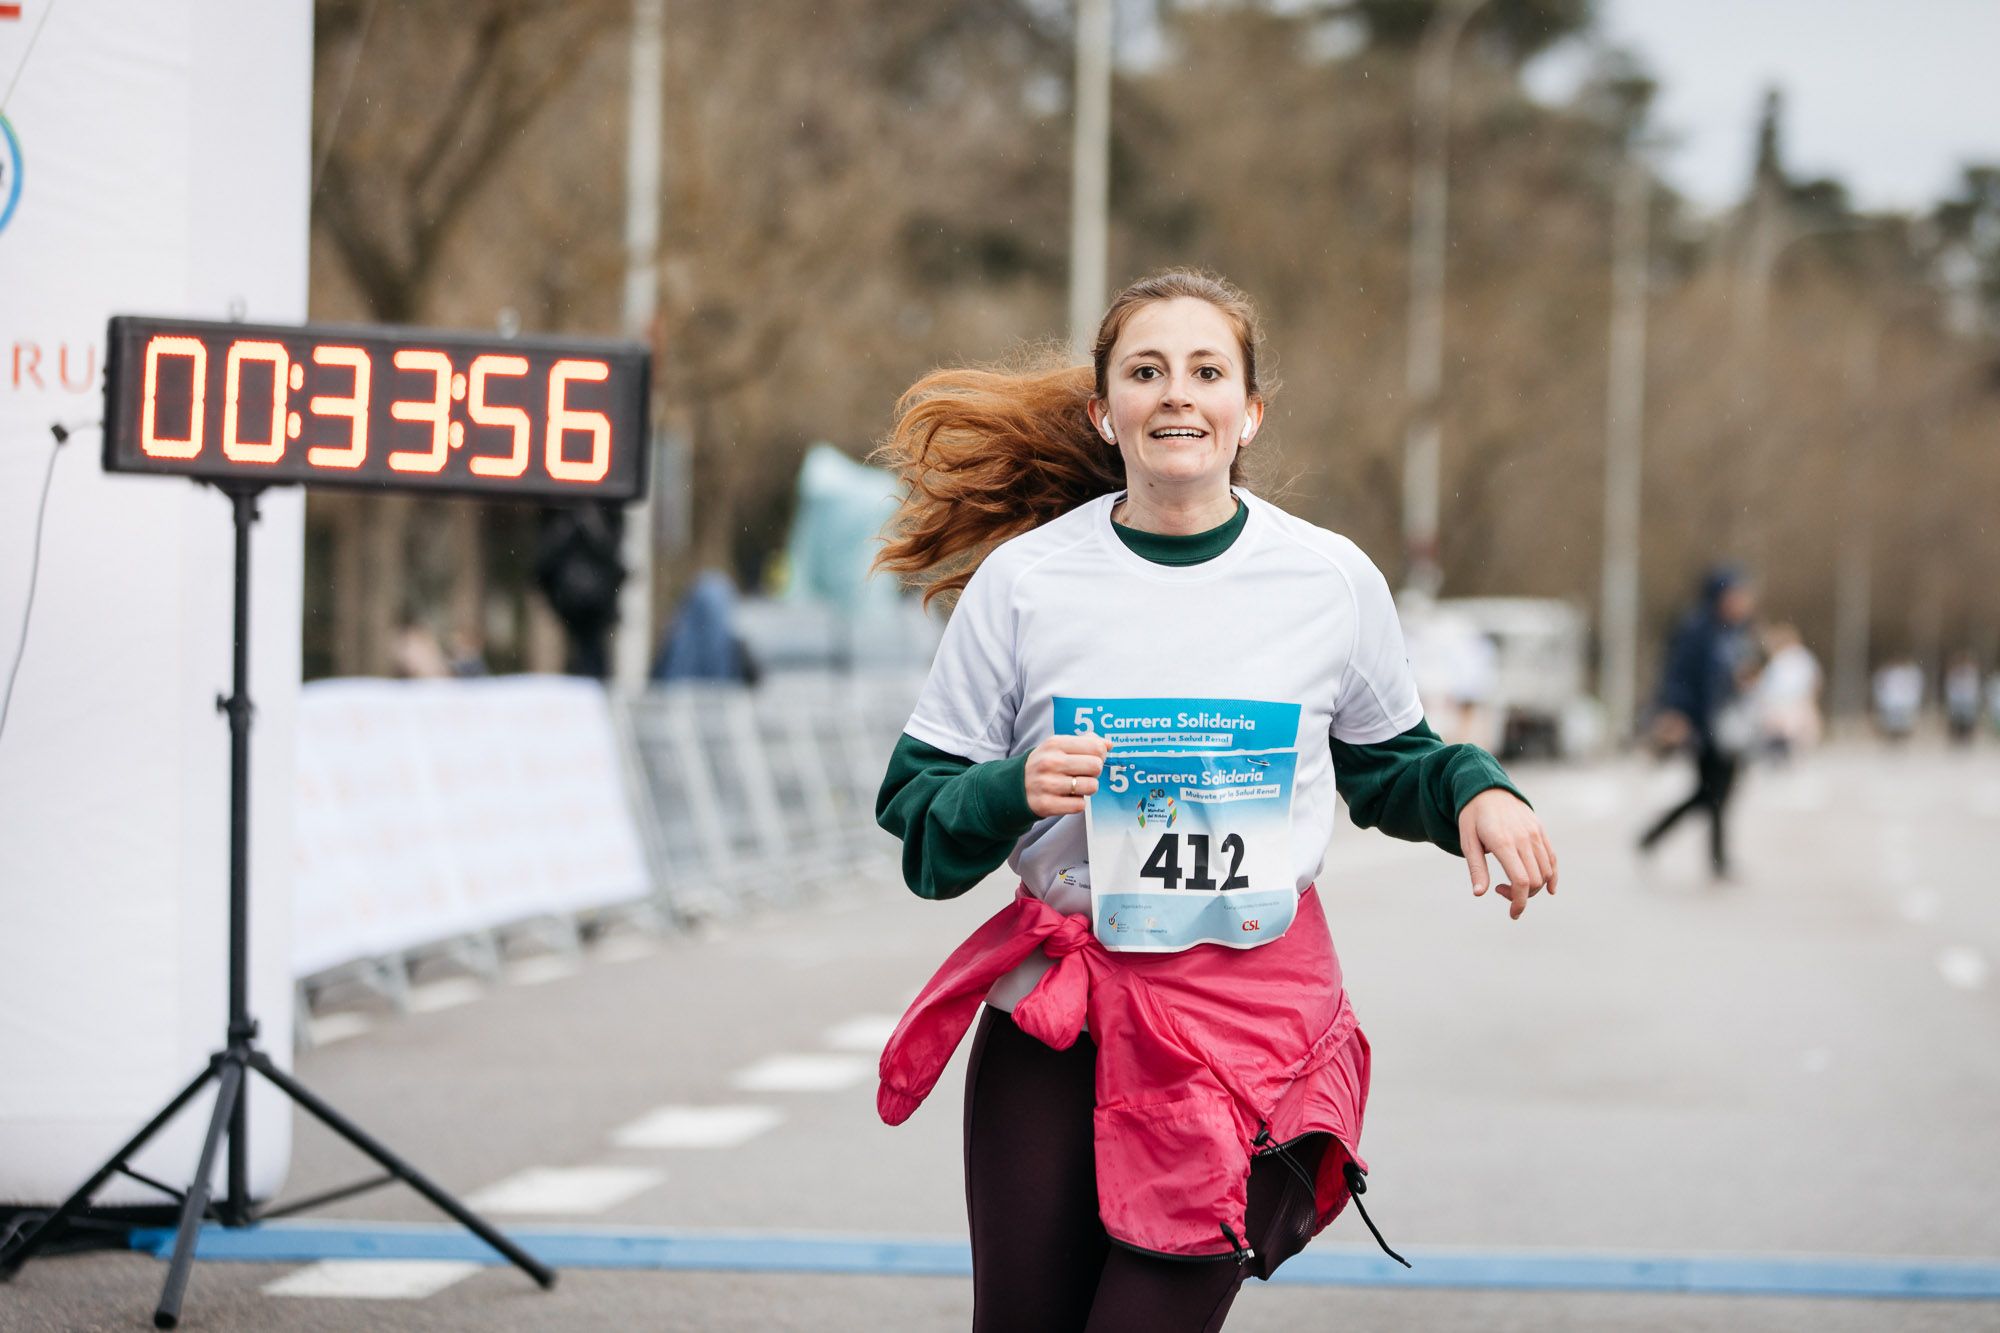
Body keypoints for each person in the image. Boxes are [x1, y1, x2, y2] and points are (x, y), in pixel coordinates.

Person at [869, 270, 1557, 1333]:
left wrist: (1477, 791)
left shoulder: (1326, 580)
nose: (1175, 394)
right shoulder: (1026, 581)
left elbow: (1392, 761)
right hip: (1062, 1016)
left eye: (1205, 371)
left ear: (1248, 411)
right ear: (1106, 412)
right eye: (1144, 372)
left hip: (1244, 1027)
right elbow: (918, 824)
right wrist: (1012, 789)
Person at [1637, 567, 1757, 879]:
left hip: (1727, 724)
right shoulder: (1696, 630)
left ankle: (1657, 837)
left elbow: (1729, 677)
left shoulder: (1733, 631)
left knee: (1714, 792)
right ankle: (1714, 858)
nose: (1743, 601)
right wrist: (1674, 714)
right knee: (1713, 792)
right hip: (1702, 724)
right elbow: (1678, 676)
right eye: (1736, 594)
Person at [1755, 622, 1821, 760]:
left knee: (1791, 733)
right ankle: (1785, 756)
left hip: (1791, 702)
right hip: (1788, 702)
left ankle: (1787, 756)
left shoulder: (1795, 658)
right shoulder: (1786, 659)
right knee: (1787, 733)